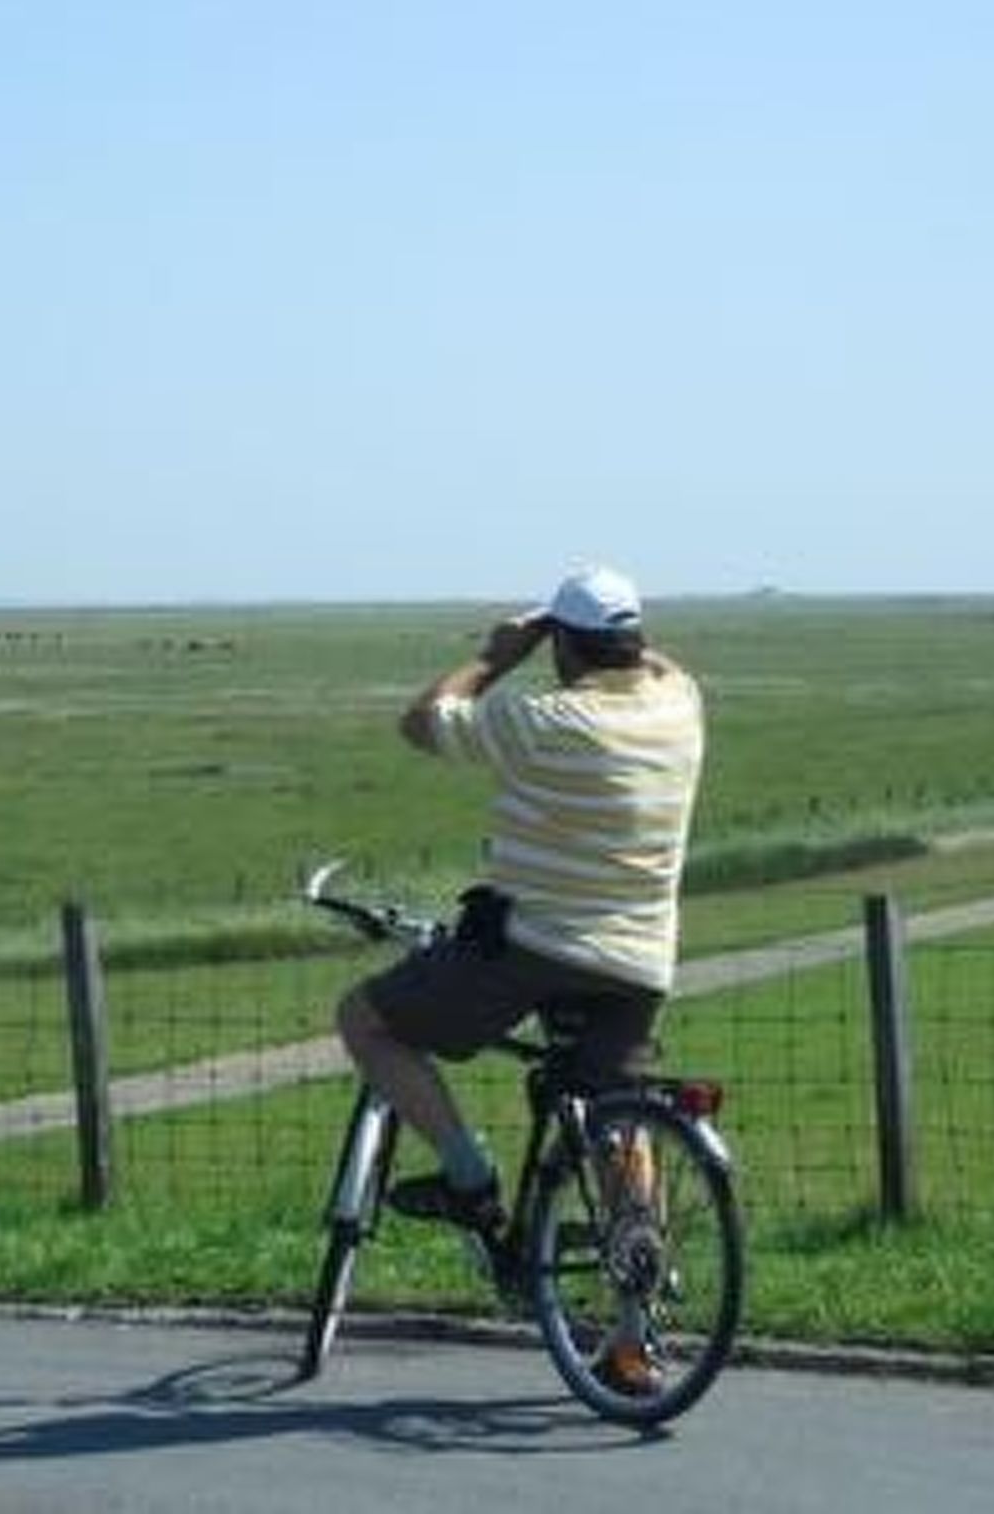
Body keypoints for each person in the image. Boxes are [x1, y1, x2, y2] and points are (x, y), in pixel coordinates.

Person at [333, 563, 704, 1391]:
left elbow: (423, 723)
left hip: (538, 948)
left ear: (563, 647)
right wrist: (607, 637)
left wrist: (498, 652)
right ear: (637, 641)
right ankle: (634, 1340)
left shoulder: (542, 717)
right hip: (642, 962)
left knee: (366, 1020)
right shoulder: (682, 706)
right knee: (620, 1121)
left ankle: (470, 1174)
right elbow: (660, 663)